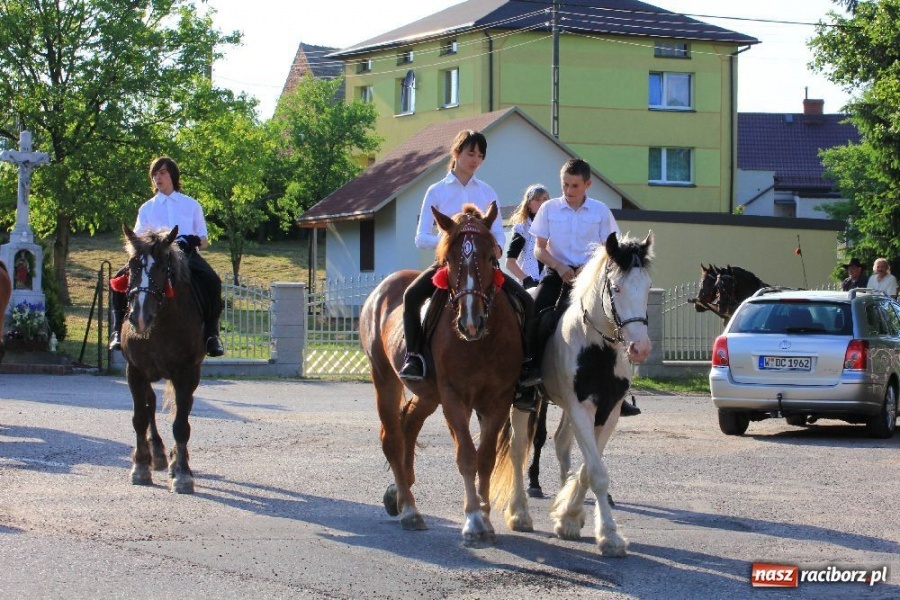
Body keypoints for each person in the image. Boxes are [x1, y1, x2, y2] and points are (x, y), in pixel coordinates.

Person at [398, 130, 540, 388]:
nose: (475, 160)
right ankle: (414, 357)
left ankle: (527, 364)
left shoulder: (487, 192)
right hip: (448, 265)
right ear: (456, 153)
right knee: (411, 296)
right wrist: (453, 244)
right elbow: (421, 237)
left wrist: (497, 248)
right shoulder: (436, 190)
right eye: (470, 153)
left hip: (483, 266)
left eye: (480, 156)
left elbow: (498, 233)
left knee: (526, 301)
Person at [517, 158, 640, 416]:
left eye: (574, 185)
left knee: (613, 320)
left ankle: (618, 387)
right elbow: (539, 249)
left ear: (587, 185)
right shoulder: (549, 208)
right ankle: (528, 375)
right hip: (556, 274)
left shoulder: (600, 211)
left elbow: (611, 249)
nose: (568, 190)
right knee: (534, 313)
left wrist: (588, 269)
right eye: (565, 184)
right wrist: (559, 266)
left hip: (591, 279)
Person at [109, 156, 225, 357]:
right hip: (155, 257)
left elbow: (204, 240)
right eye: (154, 174)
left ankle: (211, 334)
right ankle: (117, 331)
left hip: (186, 256)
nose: (158, 178)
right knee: (118, 279)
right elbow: (136, 241)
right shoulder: (147, 208)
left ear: (173, 175)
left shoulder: (191, 205)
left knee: (213, 281)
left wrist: (192, 241)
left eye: (162, 173)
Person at [505, 184, 550, 290]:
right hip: (531, 285)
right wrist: (526, 280)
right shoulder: (522, 229)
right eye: (537, 200)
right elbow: (510, 262)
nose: (542, 203)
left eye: (545, 199)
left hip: (552, 282)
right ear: (529, 204)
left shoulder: (556, 226)